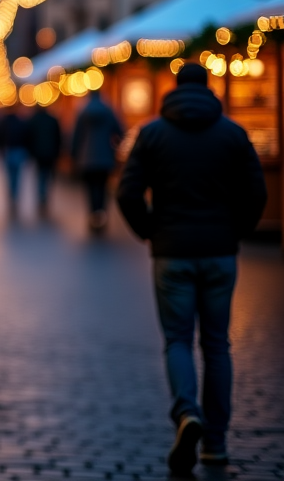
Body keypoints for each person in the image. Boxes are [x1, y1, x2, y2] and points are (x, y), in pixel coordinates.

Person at [117, 63, 266, 475]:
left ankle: (187, 412)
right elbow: (257, 192)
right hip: (220, 251)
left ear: (173, 89)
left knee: (178, 340)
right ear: (210, 89)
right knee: (217, 346)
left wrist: (150, 231)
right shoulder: (233, 134)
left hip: (172, 252)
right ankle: (215, 445)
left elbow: (127, 192)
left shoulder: (152, 134)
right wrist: (235, 231)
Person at [71, 90, 123, 231]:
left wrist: (74, 155)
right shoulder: (108, 110)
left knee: (90, 188)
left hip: (86, 157)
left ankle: (93, 213)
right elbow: (119, 131)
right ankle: (101, 213)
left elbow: (76, 135)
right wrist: (114, 148)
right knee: (103, 186)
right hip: (105, 156)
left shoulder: (83, 111)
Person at [25, 105, 63, 215]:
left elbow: (29, 137)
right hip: (50, 153)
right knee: (48, 175)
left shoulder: (33, 120)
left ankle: (41, 195)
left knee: (40, 175)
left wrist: (31, 151)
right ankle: (45, 195)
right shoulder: (53, 120)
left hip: (38, 153)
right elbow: (58, 137)